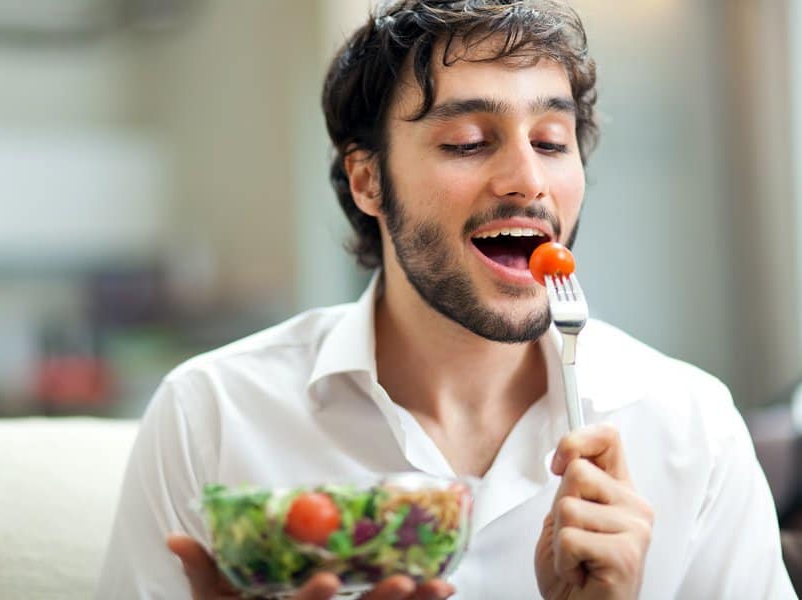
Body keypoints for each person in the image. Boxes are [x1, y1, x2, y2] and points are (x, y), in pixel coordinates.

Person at [96, 1, 797, 598]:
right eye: (466, 141)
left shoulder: (689, 426)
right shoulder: (214, 414)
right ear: (368, 182)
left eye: (551, 141)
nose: (527, 179)